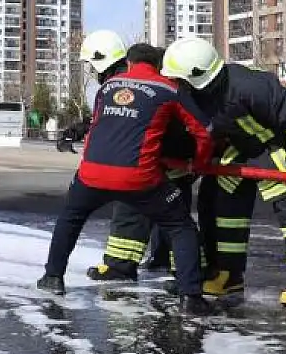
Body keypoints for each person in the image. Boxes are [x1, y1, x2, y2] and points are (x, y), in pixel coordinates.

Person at [36, 30, 215, 315]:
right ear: (160, 65)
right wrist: (200, 164)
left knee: (70, 219)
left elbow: (99, 125)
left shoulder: (107, 88)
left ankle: (52, 277)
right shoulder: (170, 89)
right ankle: (190, 296)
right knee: (181, 227)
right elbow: (204, 132)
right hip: (140, 177)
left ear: (129, 62)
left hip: (91, 174)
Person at [161, 37, 286, 308]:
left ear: (197, 75)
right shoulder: (196, 95)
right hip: (241, 151)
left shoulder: (251, 86)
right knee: (219, 204)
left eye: (180, 80)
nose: (177, 85)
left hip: (275, 150)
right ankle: (229, 275)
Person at [86, 43, 205, 282]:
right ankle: (175, 266)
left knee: (146, 212)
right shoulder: (168, 84)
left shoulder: (148, 86)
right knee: (169, 214)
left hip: (158, 160)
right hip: (165, 159)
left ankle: (124, 266)